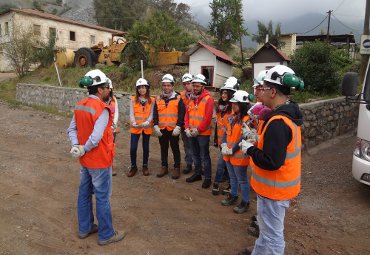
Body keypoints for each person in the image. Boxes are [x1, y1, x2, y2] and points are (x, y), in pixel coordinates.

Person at [239, 65, 304, 255]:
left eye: (265, 88)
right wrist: (258, 140)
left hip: (274, 191)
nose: (262, 91)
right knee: (266, 232)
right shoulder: (286, 116)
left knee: (273, 237)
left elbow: (271, 161)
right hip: (275, 189)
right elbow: (277, 149)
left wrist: (250, 149)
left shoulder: (278, 122)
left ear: (273, 91)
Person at [67, 69, 125, 246]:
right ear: (99, 90)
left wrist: (76, 146)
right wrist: (83, 148)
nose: (109, 89)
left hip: (85, 161)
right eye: (107, 87)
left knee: (84, 194)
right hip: (99, 161)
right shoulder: (103, 109)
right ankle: (106, 234)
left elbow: (71, 130)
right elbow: (96, 137)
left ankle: (85, 228)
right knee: (102, 197)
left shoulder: (80, 105)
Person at [220, 90, 252, 213]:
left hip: (239, 155)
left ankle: (245, 202)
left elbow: (244, 137)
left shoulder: (248, 120)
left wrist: (232, 150)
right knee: (232, 178)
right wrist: (223, 144)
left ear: (243, 105)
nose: (232, 105)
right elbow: (226, 132)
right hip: (228, 152)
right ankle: (233, 195)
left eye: (236, 103)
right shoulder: (232, 117)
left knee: (242, 179)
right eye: (232, 103)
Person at [153, 74, 185, 179]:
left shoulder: (178, 98)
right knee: (163, 148)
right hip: (162, 129)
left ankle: (176, 168)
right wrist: (155, 126)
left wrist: (179, 126)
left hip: (173, 129)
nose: (166, 87)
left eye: (168, 85)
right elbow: (155, 114)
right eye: (164, 85)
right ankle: (164, 166)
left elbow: (181, 113)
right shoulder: (157, 99)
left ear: (172, 86)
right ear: (162, 86)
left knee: (175, 148)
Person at [185, 74, 214, 189]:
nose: (195, 88)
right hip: (192, 132)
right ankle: (197, 173)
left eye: (197, 86)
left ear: (203, 86)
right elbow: (187, 115)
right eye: (194, 86)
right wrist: (187, 128)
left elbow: (207, 118)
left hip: (203, 134)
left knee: (204, 156)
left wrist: (198, 130)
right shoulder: (191, 98)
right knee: (195, 154)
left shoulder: (208, 99)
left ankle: (207, 178)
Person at [211, 77, 238, 195]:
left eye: (226, 93)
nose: (223, 95)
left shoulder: (234, 110)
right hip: (222, 141)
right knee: (226, 163)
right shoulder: (220, 108)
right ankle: (228, 183)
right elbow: (218, 126)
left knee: (225, 163)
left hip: (231, 142)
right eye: (222, 92)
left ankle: (218, 183)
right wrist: (217, 140)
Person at [127, 78, 154, 177]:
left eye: (143, 87)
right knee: (133, 148)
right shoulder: (133, 100)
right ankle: (133, 166)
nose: (141, 90)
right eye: (139, 88)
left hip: (146, 127)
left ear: (147, 88)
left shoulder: (152, 100)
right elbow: (131, 113)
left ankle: (145, 165)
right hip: (136, 127)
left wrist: (147, 121)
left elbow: (152, 114)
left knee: (145, 147)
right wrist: (134, 122)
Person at [179, 73, 194, 175]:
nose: (186, 85)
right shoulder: (181, 95)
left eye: (188, 83)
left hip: (195, 125)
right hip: (185, 125)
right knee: (187, 145)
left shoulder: (198, 94)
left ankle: (200, 166)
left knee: (198, 147)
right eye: (184, 84)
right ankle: (189, 164)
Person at [106, 78, 119, 176]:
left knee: (111, 148)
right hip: (102, 129)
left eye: (109, 88)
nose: (108, 90)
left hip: (112, 129)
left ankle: (110, 165)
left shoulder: (113, 99)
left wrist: (113, 125)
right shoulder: (100, 100)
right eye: (106, 88)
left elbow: (117, 113)